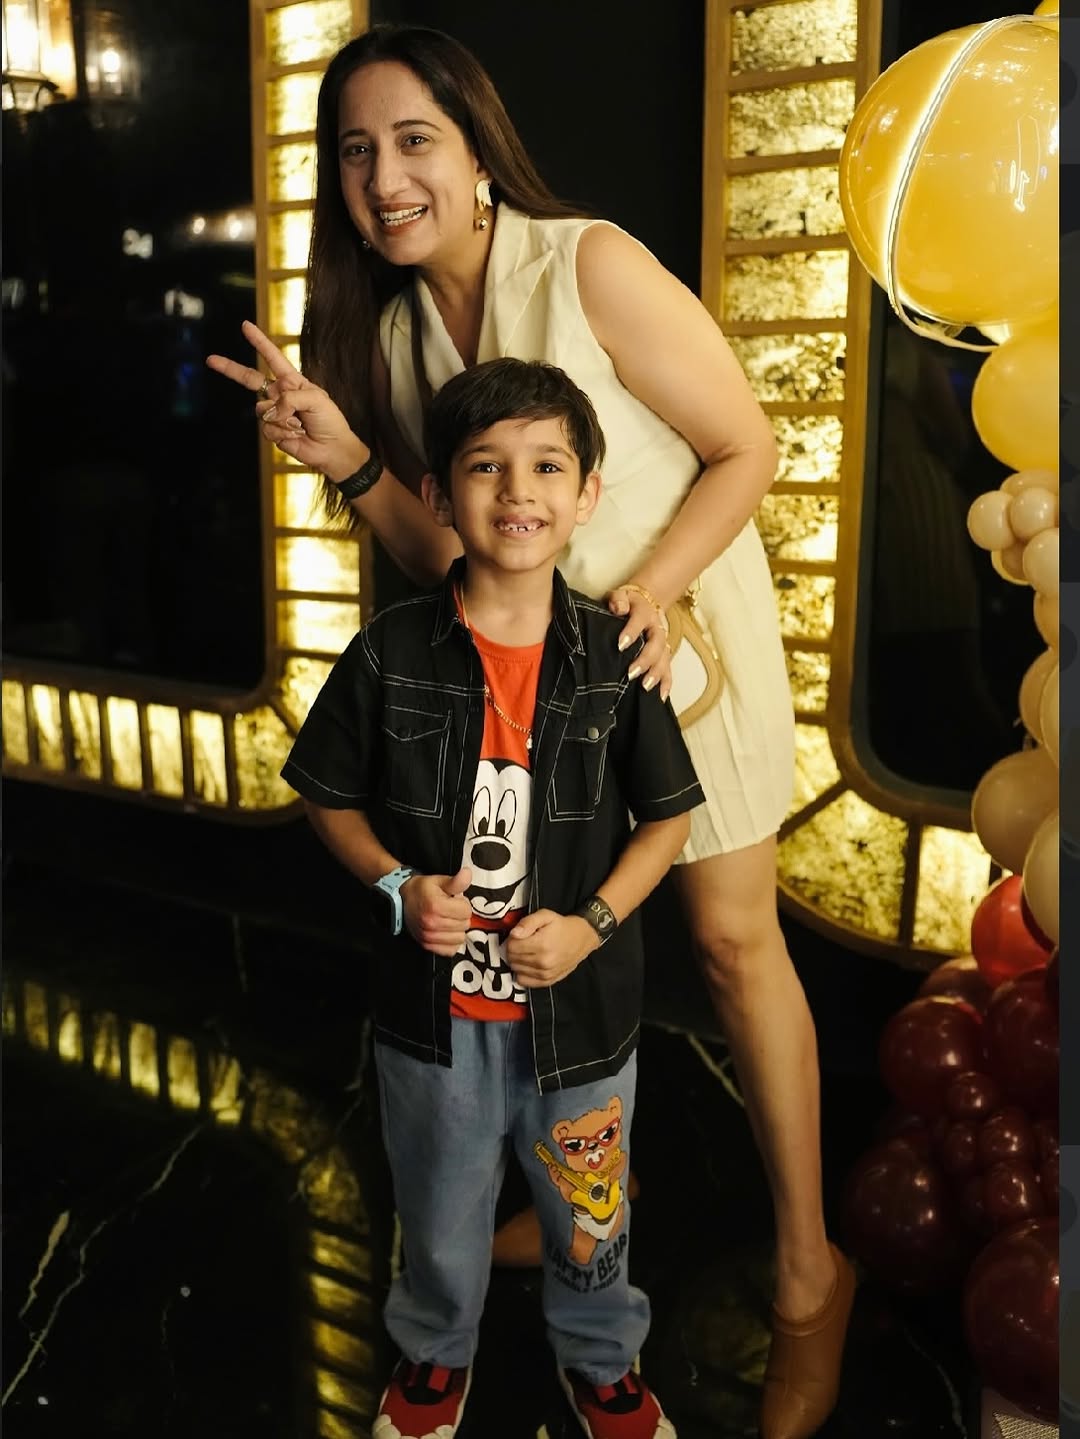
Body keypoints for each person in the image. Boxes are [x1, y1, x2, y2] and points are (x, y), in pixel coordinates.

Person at [207, 25, 855, 1438]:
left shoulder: (589, 261)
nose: (385, 177)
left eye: (414, 140)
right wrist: (350, 455)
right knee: (539, 939)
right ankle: (579, 1199)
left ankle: (811, 1268)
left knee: (731, 942)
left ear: (479, 149)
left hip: (674, 648)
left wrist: (651, 590)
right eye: (356, 152)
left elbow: (747, 442)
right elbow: (448, 548)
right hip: (533, 700)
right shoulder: (393, 332)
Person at [281, 356, 703, 1439]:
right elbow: (327, 795)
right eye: (485, 467)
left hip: (582, 1016)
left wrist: (593, 924)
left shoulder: (617, 657)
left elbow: (667, 821)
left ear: (587, 493)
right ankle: (433, 1353)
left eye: (548, 466)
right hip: (433, 1021)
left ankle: (602, 1360)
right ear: (437, 494)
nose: (519, 491)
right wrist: (396, 883)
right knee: (438, 1203)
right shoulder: (389, 652)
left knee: (589, 1208)